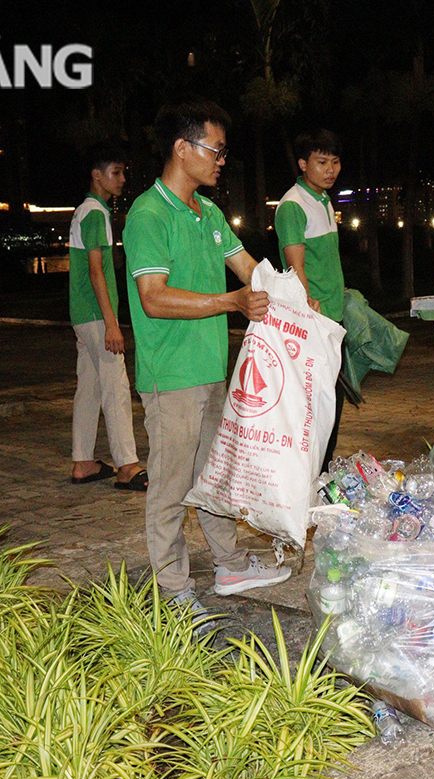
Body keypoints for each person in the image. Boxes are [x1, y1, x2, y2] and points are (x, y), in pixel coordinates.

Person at [123, 98, 291, 631]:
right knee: (171, 487)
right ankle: (172, 589)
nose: (222, 160)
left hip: (212, 371)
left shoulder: (209, 214)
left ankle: (230, 566)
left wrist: (295, 301)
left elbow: (247, 269)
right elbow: (153, 297)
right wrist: (230, 302)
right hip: (170, 377)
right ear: (182, 148)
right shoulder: (147, 215)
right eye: (215, 150)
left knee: (216, 479)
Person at [68, 142, 147, 491]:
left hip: (81, 314)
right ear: (97, 175)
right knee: (115, 387)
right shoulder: (96, 213)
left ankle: (83, 461)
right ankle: (127, 465)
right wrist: (112, 323)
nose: (122, 179)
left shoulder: (84, 210)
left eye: (123, 172)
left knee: (89, 388)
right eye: (116, 173)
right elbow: (97, 271)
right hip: (97, 315)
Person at [274, 129, 346, 469]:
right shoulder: (293, 205)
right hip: (314, 321)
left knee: (332, 402)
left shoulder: (324, 200)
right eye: (321, 162)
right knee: (314, 405)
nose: (330, 169)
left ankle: (321, 471)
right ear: (303, 164)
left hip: (334, 316)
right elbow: (295, 266)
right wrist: (308, 311)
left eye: (334, 162)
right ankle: (306, 474)